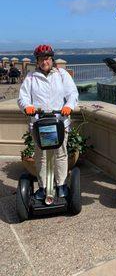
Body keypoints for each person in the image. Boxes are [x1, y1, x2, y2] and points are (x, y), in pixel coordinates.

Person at [18, 44, 78, 200]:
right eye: (41, 59)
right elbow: (22, 97)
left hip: (59, 122)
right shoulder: (31, 77)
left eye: (47, 58)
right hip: (39, 124)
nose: (44, 61)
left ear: (51, 59)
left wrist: (68, 106)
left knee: (60, 154)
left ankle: (61, 185)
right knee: (41, 157)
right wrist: (27, 106)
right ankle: (43, 187)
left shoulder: (62, 74)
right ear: (37, 61)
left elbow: (72, 93)